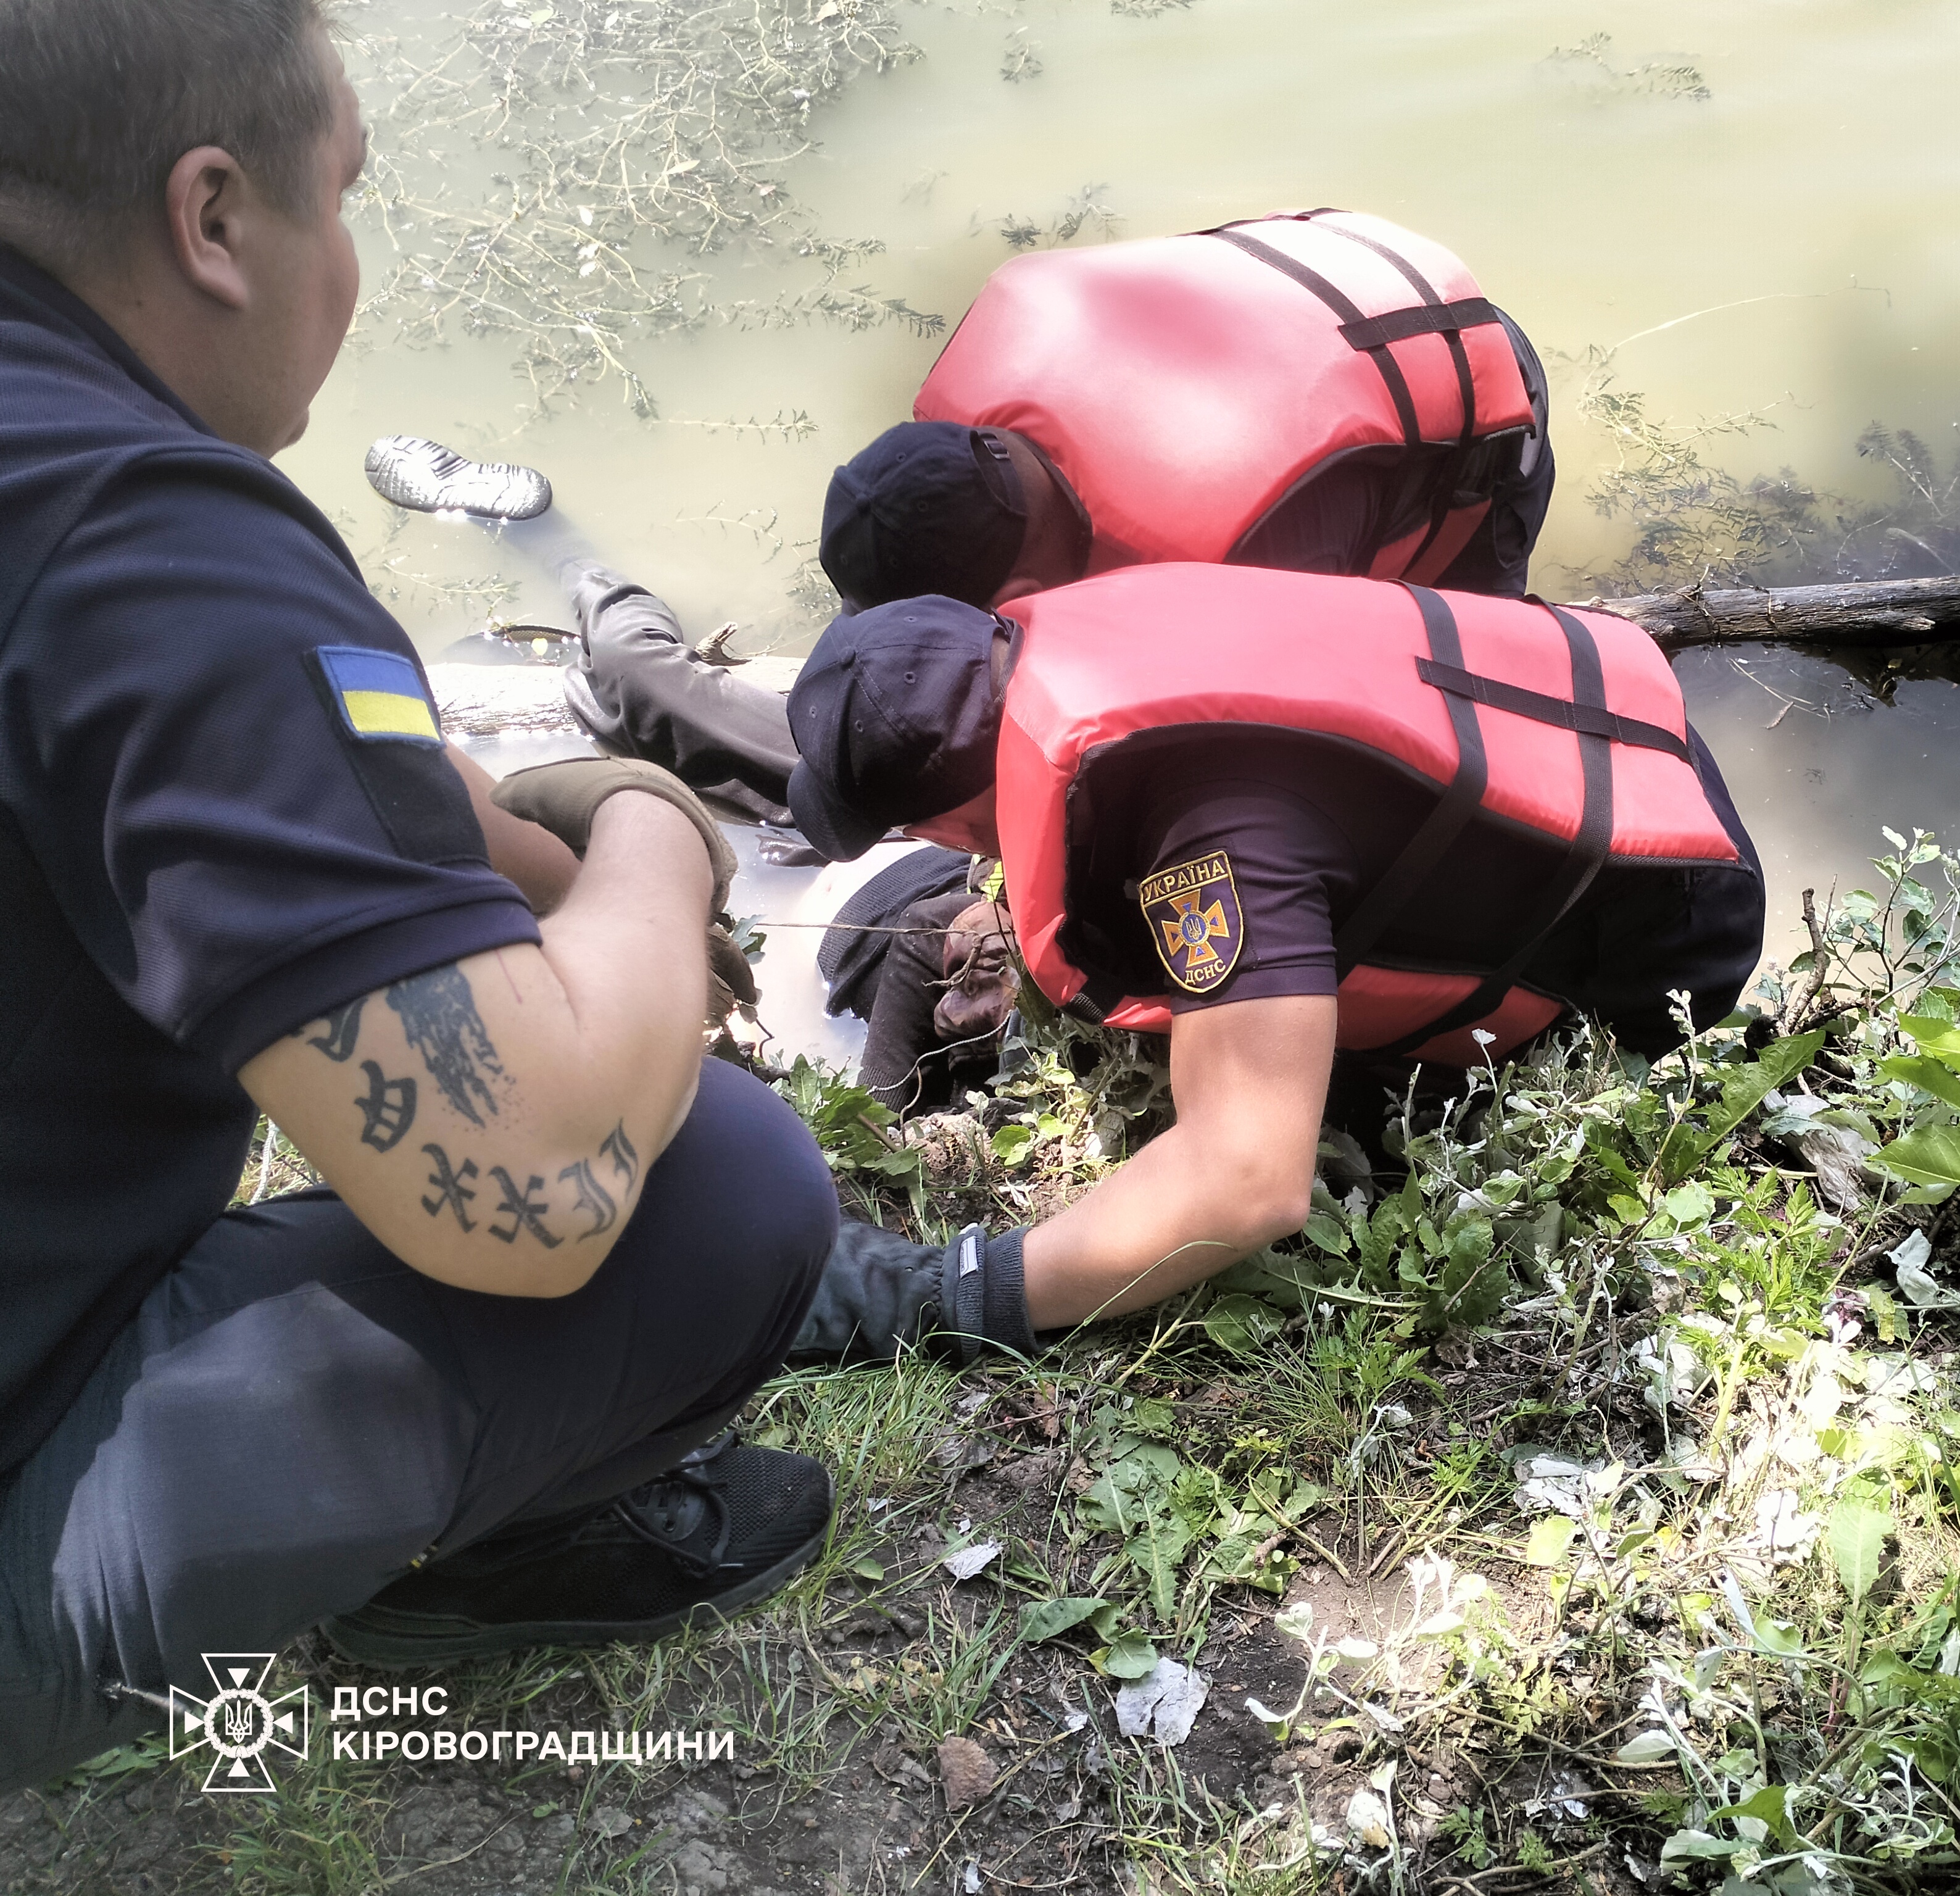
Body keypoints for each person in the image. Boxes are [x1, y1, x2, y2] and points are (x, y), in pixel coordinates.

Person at [0, 0, 844, 1792]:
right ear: (213, 222)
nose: (361, 264)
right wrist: (663, 850)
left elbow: (344, 778)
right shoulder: (147, 544)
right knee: (720, 1195)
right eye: (350, 195)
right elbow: (528, 1178)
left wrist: (546, 840)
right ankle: (470, 1555)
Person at [776, 563, 1767, 1365]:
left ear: (950, 819)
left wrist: (935, 1292)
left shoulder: (1208, 846)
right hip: (1620, 722)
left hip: (1670, 915)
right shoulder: (1108, 623)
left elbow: (1249, 1179)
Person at [819, 209, 1557, 611]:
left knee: (1465, 668)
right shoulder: (1012, 318)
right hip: (1343, 264)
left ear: (1021, 597)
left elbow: (1309, 702)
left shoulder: (1236, 564)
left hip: (1478, 397)